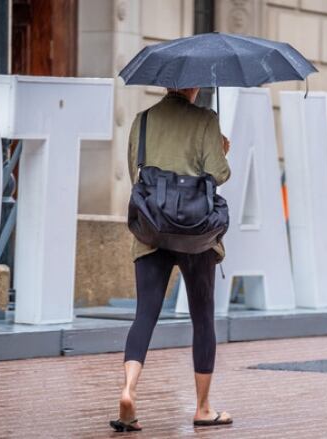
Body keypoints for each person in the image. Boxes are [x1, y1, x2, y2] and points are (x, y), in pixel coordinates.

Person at [111, 88, 232, 432]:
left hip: (152, 228)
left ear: (165, 85)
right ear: (194, 87)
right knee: (202, 317)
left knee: (145, 315)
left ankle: (128, 390)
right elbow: (219, 174)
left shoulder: (143, 120)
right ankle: (203, 408)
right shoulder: (206, 120)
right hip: (195, 235)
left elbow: (135, 169)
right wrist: (221, 148)